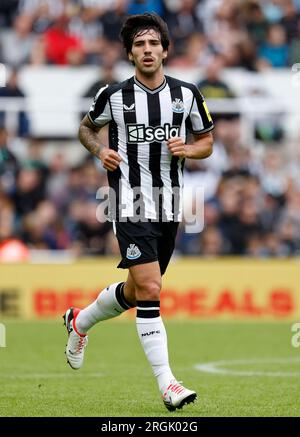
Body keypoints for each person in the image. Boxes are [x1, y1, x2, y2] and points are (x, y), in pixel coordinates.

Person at [63, 13, 214, 411]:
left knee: (136, 291)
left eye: (154, 44)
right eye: (140, 45)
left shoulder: (187, 94)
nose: (147, 51)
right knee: (150, 289)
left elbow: (207, 141)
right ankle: (169, 384)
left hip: (169, 205)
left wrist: (189, 149)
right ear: (130, 53)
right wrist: (100, 151)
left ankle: (79, 322)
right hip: (128, 202)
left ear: (165, 50)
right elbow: (85, 128)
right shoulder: (113, 95)